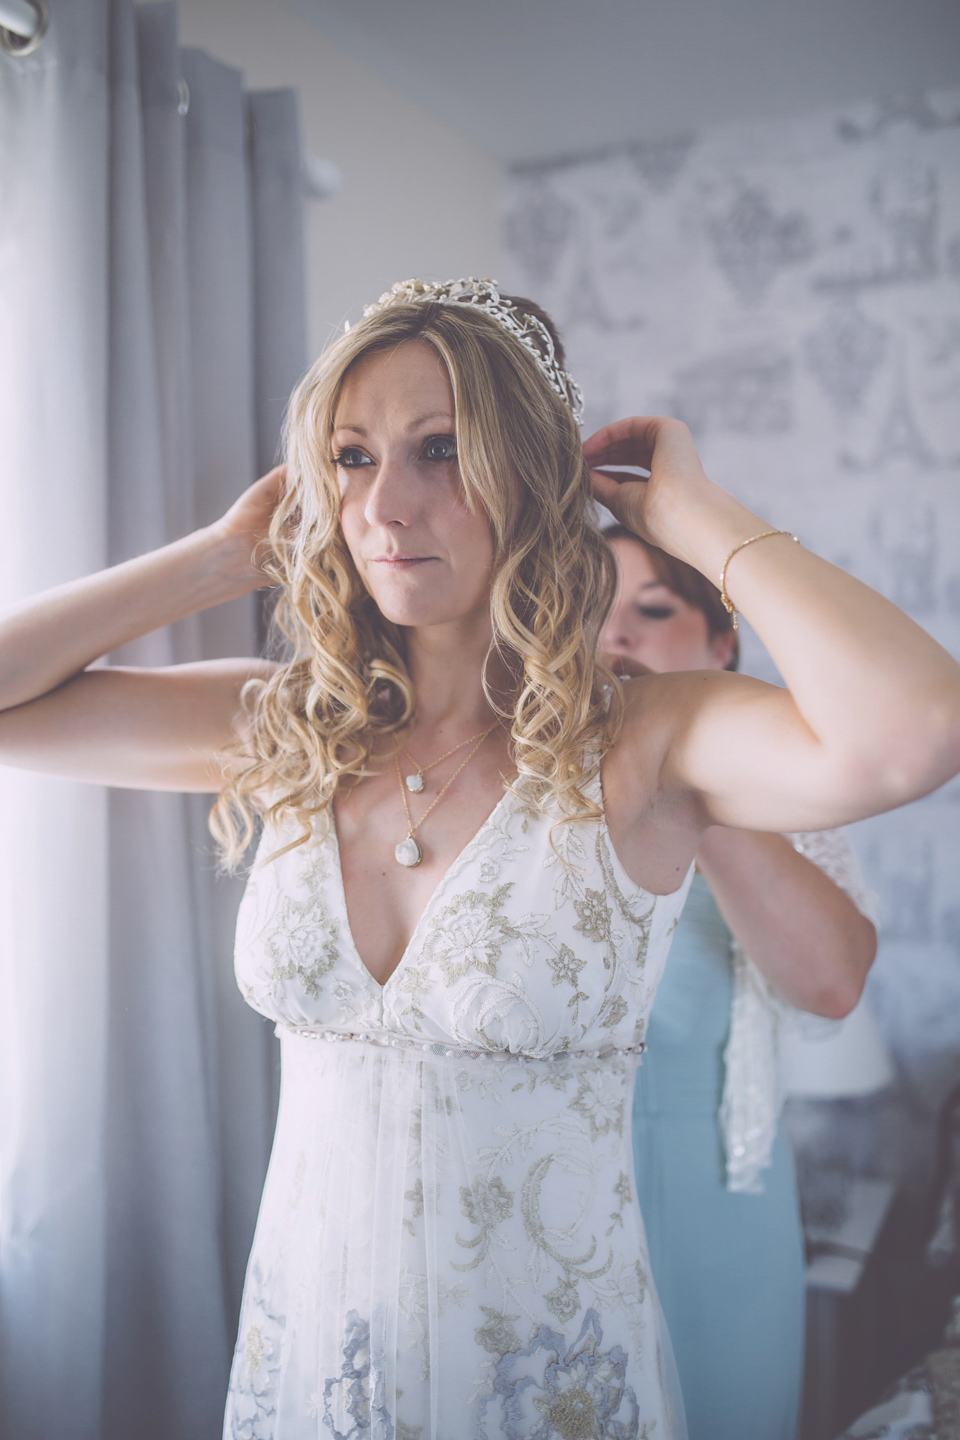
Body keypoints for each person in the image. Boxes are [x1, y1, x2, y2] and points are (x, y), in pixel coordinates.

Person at [0, 276, 957, 1439]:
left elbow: (916, 728)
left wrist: (692, 518)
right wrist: (215, 557)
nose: (388, 505)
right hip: (305, 1373)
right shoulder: (290, 724)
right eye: (352, 458)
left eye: (442, 450)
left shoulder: (646, 742)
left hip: (547, 1387)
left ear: (529, 480)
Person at [601, 525, 878, 1440]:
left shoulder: (779, 795)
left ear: (723, 644)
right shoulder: (524, 782)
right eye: (589, 617)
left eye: (652, 610)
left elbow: (832, 984)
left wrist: (683, 768)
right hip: (539, 1174)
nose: (618, 639)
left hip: (714, 1184)